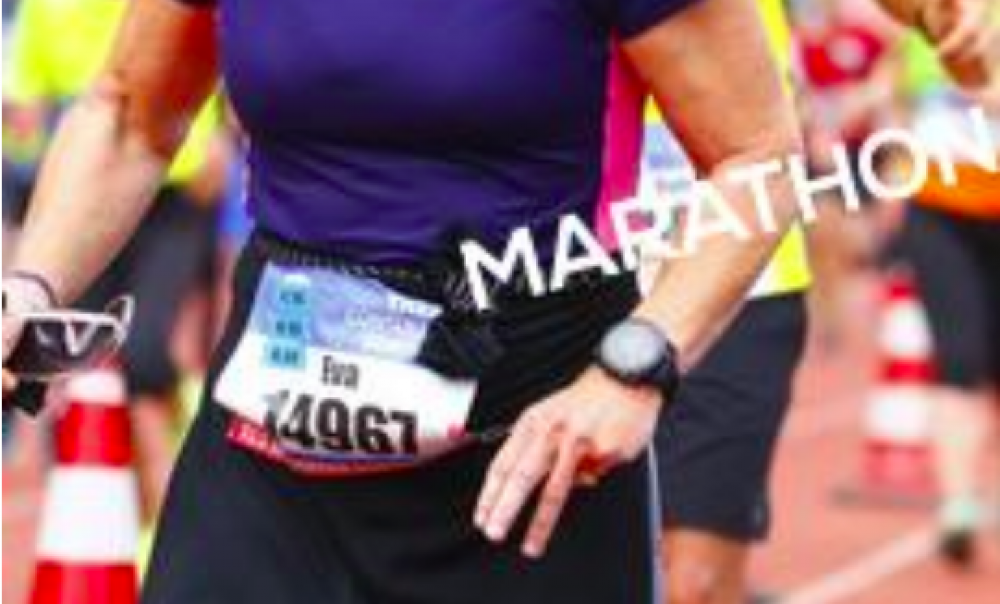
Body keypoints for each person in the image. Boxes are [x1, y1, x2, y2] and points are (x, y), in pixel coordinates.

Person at [2, 0, 806, 601]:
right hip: (272, 424)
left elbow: (758, 156)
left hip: (529, 455)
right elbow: (129, 115)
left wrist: (636, 367)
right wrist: (25, 289)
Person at [599, 0, 996, 602]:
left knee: (692, 585)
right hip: (571, 269)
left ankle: (958, 498)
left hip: (740, 273)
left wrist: (938, 17)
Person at [5, 0, 230, 521]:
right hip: (91, 207)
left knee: (146, 355)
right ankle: (100, 521)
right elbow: (29, 107)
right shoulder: (44, 9)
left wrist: (219, 131)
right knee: (68, 366)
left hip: (178, 195)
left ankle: (165, 508)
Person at [895, 14, 999, 565]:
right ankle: (958, 505)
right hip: (941, 208)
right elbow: (902, 98)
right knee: (958, 356)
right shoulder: (929, 13)